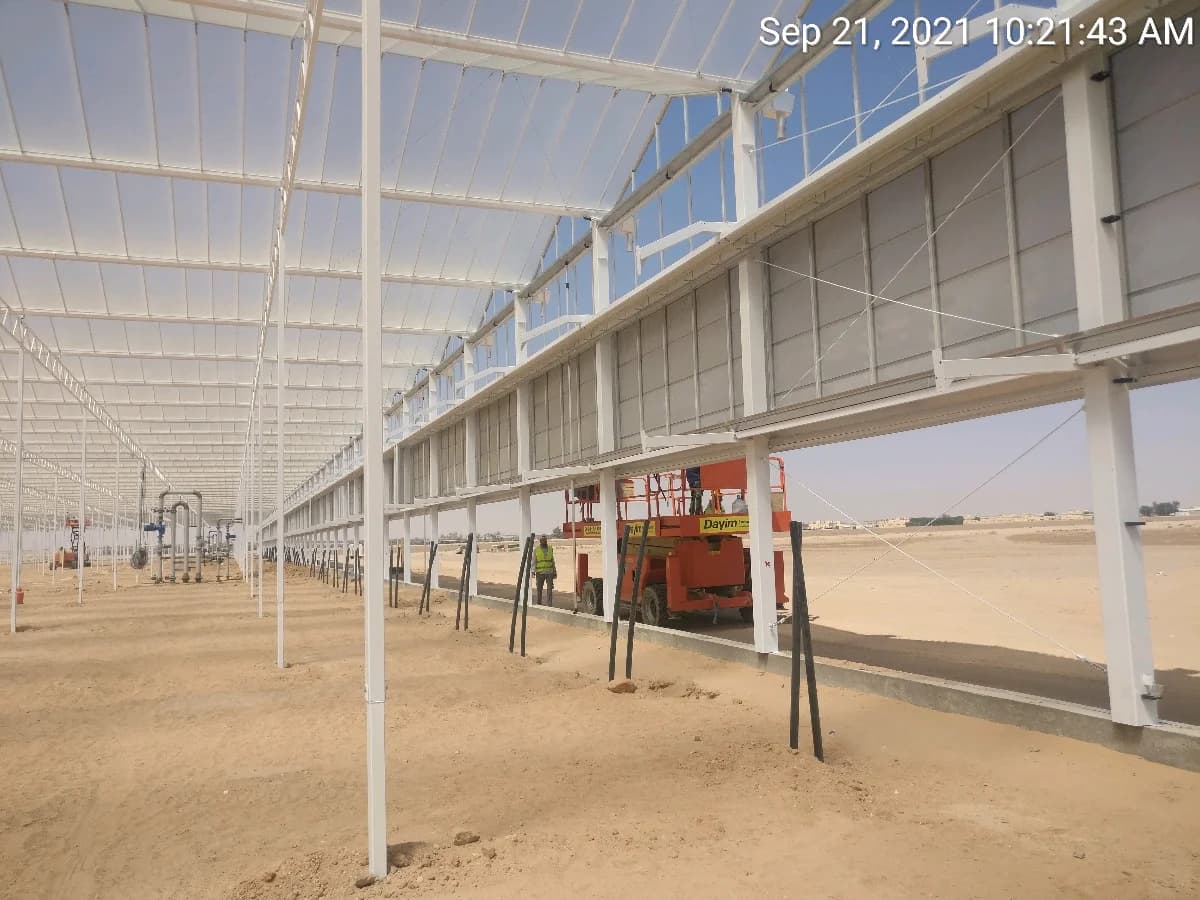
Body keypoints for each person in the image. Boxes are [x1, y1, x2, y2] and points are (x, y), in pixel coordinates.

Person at [533, 535, 557, 607]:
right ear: (540, 541)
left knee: (549, 590)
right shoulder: (536, 550)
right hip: (540, 573)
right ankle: (539, 603)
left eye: (545, 540)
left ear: (546, 541)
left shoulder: (550, 549)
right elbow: (534, 561)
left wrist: (554, 572)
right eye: (542, 540)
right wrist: (533, 571)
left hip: (549, 572)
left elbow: (552, 561)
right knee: (539, 589)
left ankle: (549, 605)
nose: (544, 541)